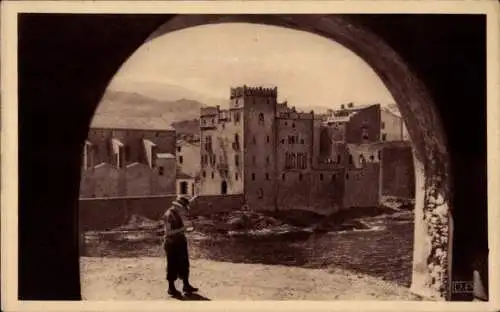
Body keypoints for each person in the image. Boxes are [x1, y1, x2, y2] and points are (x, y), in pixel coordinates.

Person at [162, 196, 198, 297]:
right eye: (182, 208)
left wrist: (187, 229)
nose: (183, 210)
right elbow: (168, 232)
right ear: (177, 206)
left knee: (185, 264)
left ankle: (186, 285)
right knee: (172, 265)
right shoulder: (169, 215)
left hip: (180, 241)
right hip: (171, 243)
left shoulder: (177, 213)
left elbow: (180, 228)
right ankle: (171, 288)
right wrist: (183, 229)